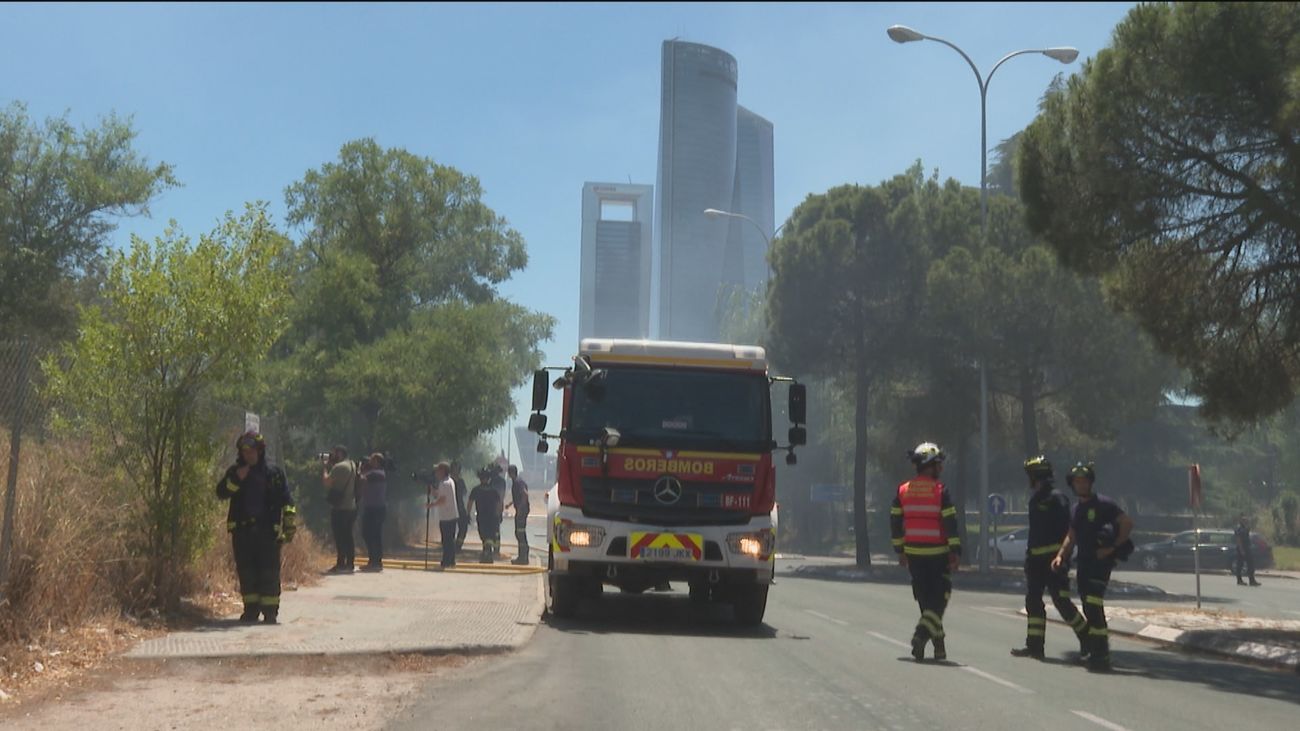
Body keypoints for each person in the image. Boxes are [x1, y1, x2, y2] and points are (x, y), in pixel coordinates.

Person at [1052, 462, 1134, 672]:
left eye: (1084, 481)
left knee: (1093, 605)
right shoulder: (1076, 509)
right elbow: (1071, 536)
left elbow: (1127, 523)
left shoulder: (1105, 504)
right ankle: (1093, 649)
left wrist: (1112, 548)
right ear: (1072, 484)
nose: (1081, 485)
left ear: (1090, 483)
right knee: (1088, 605)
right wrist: (1060, 556)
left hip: (1101, 564)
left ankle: (1101, 655)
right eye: (1077, 482)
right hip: (1084, 563)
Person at [1011, 456, 1089, 660]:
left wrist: (1063, 557)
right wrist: (1029, 557)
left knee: (1061, 601)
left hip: (1055, 562)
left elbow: (1069, 529)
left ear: (1036, 476)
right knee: (1033, 602)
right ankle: (1035, 646)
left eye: (1030, 475)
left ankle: (1088, 639)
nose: (1028, 480)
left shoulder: (1057, 498)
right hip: (1035, 562)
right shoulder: (1035, 499)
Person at [890, 441, 961, 662]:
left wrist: (900, 550)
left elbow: (895, 523)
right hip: (938, 554)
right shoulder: (940, 491)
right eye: (938, 464)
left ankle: (938, 646)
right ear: (929, 465)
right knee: (938, 600)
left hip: (914, 555)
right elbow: (950, 524)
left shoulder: (902, 490)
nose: (941, 468)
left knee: (925, 600)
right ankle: (920, 636)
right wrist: (955, 551)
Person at [216, 431, 296, 624]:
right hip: (243, 532)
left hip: (267, 532)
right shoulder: (236, 472)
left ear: (260, 451)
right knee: (247, 572)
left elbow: (287, 501)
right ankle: (250, 610)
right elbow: (221, 493)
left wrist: (288, 527)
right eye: (245, 452)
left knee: (269, 572)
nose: (248, 455)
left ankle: (270, 612)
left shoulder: (274, 474)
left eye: (252, 451)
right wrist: (237, 479)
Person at [321, 445, 359, 573]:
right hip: (351, 506)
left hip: (340, 507)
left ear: (340, 453)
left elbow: (327, 482)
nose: (332, 456)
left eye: (334, 453)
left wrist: (325, 468)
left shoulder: (339, 467)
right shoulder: (352, 465)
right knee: (348, 536)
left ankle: (341, 563)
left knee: (340, 537)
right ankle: (350, 563)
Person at [358, 453, 387, 572]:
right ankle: (373, 560)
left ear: (377, 462)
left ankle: (376, 561)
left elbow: (361, 478)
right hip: (371, 507)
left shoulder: (378, 473)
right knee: (370, 534)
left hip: (376, 508)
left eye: (372, 460)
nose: (370, 461)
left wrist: (360, 468)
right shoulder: (374, 473)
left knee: (372, 534)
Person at [468, 468, 504, 563]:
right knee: (489, 535)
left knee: (484, 535)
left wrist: (468, 514)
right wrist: (500, 514)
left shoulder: (476, 490)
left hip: (482, 516)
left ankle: (487, 553)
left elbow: (470, 503)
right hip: (492, 516)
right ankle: (487, 552)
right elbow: (499, 503)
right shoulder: (493, 490)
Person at [430, 462, 460, 569]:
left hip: (447, 516)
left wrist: (431, 505)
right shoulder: (449, 481)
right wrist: (432, 490)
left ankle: (447, 561)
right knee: (449, 540)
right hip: (450, 515)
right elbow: (440, 495)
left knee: (446, 540)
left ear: (443, 471)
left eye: (438, 470)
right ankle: (450, 561)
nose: (436, 473)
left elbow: (442, 500)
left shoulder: (444, 483)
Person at [506, 465, 531, 565]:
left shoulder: (518, 482)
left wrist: (520, 509)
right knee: (519, 533)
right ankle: (523, 556)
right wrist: (510, 504)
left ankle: (523, 557)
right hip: (522, 510)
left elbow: (525, 495)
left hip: (522, 511)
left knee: (520, 533)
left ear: (511, 473)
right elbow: (519, 496)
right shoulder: (517, 482)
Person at [1234, 514, 1261, 587]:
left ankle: (1252, 580)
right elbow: (1238, 539)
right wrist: (1241, 550)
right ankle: (1239, 580)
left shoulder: (1246, 528)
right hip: (1241, 548)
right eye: (1244, 520)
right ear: (1240, 521)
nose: (1245, 521)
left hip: (1247, 548)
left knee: (1250, 564)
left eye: (1246, 520)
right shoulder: (1239, 528)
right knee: (1240, 565)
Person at [451, 462, 471, 551]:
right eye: (455, 469)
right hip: (450, 507)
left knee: (463, 526)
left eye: (458, 469)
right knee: (449, 528)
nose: (456, 471)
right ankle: (449, 544)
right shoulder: (448, 481)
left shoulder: (461, 481)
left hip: (460, 507)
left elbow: (465, 493)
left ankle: (458, 545)